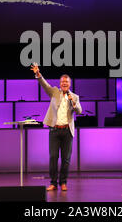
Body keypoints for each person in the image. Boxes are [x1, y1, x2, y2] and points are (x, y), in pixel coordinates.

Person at [31, 63, 82, 192]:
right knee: (53, 157)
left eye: (66, 82)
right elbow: (44, 85)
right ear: (60, 83)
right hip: (54, 130)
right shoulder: (54, 92)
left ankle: (63, 182)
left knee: (66, 159)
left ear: (70, 84)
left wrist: (74, 104)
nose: (64, 84)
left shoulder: (74, 97)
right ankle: (53, 183)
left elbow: (79, 111)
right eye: (62, 82)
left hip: (67, 131)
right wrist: (38, 74)